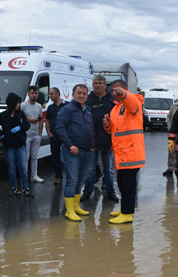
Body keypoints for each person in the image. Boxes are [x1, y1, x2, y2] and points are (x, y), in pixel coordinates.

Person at [104, 80, 146, 224]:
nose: (115, 93)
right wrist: (107, 125)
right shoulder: (115, 109)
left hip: (131, 153)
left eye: (118, 90)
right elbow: (115, 130)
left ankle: (127, 214)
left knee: (128, 185)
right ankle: (124, 209)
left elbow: (132, 103)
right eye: (113, 91)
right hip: (121, 154)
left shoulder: (134, 102)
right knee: (122, 183)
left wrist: (123, 94)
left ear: (125, 90)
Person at [55, 84, 95, 221]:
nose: (82, 95)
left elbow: (91, 130)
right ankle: (69, 210)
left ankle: (76, 206)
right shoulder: (67, 110)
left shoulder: (87, 111)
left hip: (87, 151)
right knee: (72, 181)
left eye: (84, 93)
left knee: (80, 180)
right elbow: (59, 128)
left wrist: (92, 146)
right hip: (72, 151)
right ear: (73, 95)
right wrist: (70, 145)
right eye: (79, 93)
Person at [83, 75, 119, 202]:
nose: (97, 85)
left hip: (108, 140)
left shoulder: (111, 99)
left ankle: (111, 193)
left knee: (108, 168)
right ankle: (87, 193)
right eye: (95, 83)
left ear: (105, 85)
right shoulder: (88, 99)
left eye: (99, 83)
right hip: (92, 141)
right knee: (91, 169)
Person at [0, 92, 32, 197]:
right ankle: (13, 188)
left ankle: (25, 188)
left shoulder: (21, 114)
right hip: (9, 146)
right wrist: (1, 134)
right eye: (17, 103)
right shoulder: (3, 115)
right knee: (12, 167)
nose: (19, 104)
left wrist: (20, 127)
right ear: (12, 103)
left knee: (23, 167)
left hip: (20, 144)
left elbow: (27, 125)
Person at [21, 86, 45, 183]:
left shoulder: (39, 106)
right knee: (26, 156)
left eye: (36, 93)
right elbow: (20, 119)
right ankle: (24, 176)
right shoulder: (23, 105)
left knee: (35, 156)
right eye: (32, 93)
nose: (34, 95)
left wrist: (39, 133)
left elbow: (41, 120)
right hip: (26, 134)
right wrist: (29, 120)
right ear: (28, 94)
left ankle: (34, 175)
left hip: (36, 134)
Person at [45, 87, 66, 185]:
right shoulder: (50, 108)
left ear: (57, 94)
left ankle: (71, 175)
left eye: (51, 94)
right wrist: (49, 133)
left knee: (67, 156)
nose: (50, 96)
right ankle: (58, 176)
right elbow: (47, 121)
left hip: (65, 136)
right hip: (54, 136)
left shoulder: (66, 106)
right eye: (49, 94)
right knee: (55, 157)